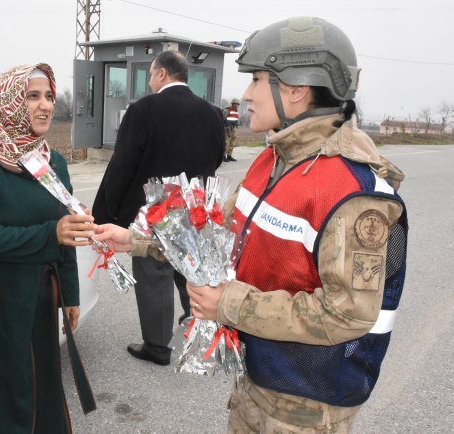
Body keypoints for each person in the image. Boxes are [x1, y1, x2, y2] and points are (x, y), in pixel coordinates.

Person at [93, 17, 408, 434]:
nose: (246, 94)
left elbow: (348, 313)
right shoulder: (273, 162)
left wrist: (229, 303)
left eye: (257, 79)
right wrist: (132, 239)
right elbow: (211, 232)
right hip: (257, 382)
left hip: (306, 406)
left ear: (296, 88)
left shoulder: (352, 190)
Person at [0, 64, 96, 433]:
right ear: (10, 102)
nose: (44, 106)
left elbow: (68, 227)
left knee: (38, 387)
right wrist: (51, 234)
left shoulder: (50, 161)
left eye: (49, 97)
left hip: (37, 298)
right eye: (32, 96)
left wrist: (70, 295)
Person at [91, 50, 225, 366]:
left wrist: (106, 213)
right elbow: (218, 157)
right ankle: (202, 333)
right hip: (198, 206)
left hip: (157, 210)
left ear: (162, 73)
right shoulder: (212, 112)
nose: (150, 81)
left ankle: (157, 347)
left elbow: (123, 165)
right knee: (192, 270)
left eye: (151, 74)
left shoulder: (144, 109)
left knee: (155, 273)